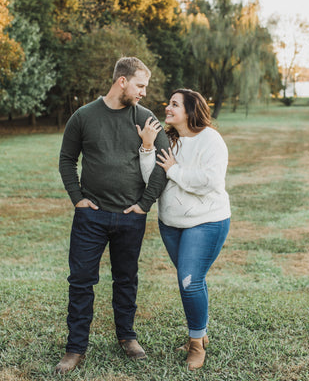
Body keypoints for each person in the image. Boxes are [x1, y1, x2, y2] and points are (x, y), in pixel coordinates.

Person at [55, 57, 169, 374]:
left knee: (126, 280)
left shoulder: (146, 118)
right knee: (80, 282)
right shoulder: (83, 117)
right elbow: (67, 160)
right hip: (90, 217)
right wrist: (77, 198)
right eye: (140, 85)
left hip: (130, 217)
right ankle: (75, 348)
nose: (145, 92)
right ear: (122, 81)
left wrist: (145, 204)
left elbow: (163, 162)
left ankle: (127, 337)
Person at [138, 88, 231, 371]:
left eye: (175, 104)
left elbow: (210, 181)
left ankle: (195, 346)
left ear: (191, 110)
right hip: (171, 224)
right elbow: (151, 178)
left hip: (207, 221)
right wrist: (147, 147)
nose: (168, 108)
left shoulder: (211, 140)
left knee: (189, 280)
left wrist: (175, 170)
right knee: (188, 281)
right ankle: (199, 335)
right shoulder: (169, 139)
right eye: (169, 103)